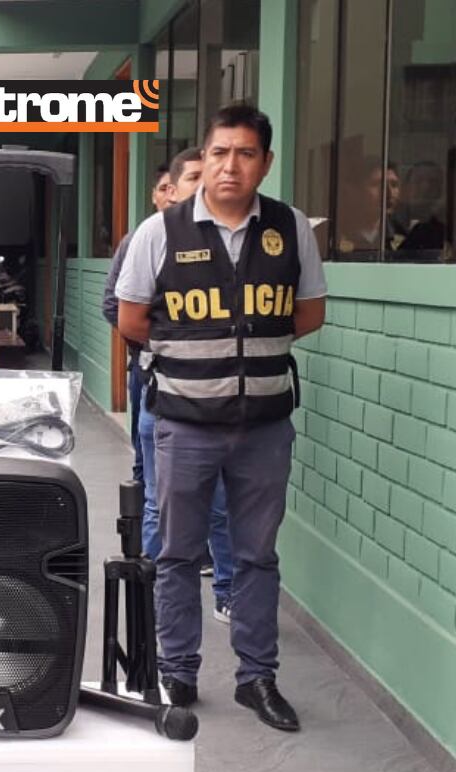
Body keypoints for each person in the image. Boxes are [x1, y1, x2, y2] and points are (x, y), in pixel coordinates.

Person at [116, 103, 327, 731]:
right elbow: (131, 320)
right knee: (179, 554)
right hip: (184, 424)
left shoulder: (290, 230)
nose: (229, 165)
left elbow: (309, 313)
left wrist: (249, 346)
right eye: (217, 152)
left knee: (257, 556)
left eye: (243, 153)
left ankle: (256, 678)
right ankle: (177, 671)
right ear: (202, 159)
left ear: (264, 162)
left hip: (264, 426)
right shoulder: (161, 231)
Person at [109, 148, 235, 621]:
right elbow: (117, 309)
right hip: (160, 386)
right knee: (159, 496)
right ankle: (153, 595)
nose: (204, 186)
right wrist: (168, 345)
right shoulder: (149, 238)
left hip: (226, 400)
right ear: (171, 188)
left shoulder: (234, 242)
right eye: (194, 178)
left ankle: (227, 590)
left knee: (222, 503)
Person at [103, 163, 178, 484]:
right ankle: (138, 525)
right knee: (144, 458)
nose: (172, 197)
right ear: (154, 196)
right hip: (146, 367)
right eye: (164, 189)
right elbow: (111, 305)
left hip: (199, 382)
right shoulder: (137, 241)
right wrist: (151, 342)